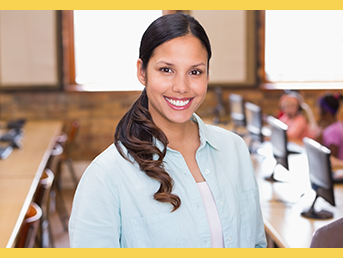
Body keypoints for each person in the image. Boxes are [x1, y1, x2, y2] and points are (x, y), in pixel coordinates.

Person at [69, 13, 266, 248]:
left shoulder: (235, 150)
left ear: (207, 75)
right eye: (166, 70)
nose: (181, 87)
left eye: (195, 72)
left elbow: (255, 244)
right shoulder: (106, 176)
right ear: (142, 72)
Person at [315, 93, 343, 178]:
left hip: (338, 171)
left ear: (324, 111)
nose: (317, 111)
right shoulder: (336, 125)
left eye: (318, 108)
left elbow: (331, 158)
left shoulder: (333, 131)